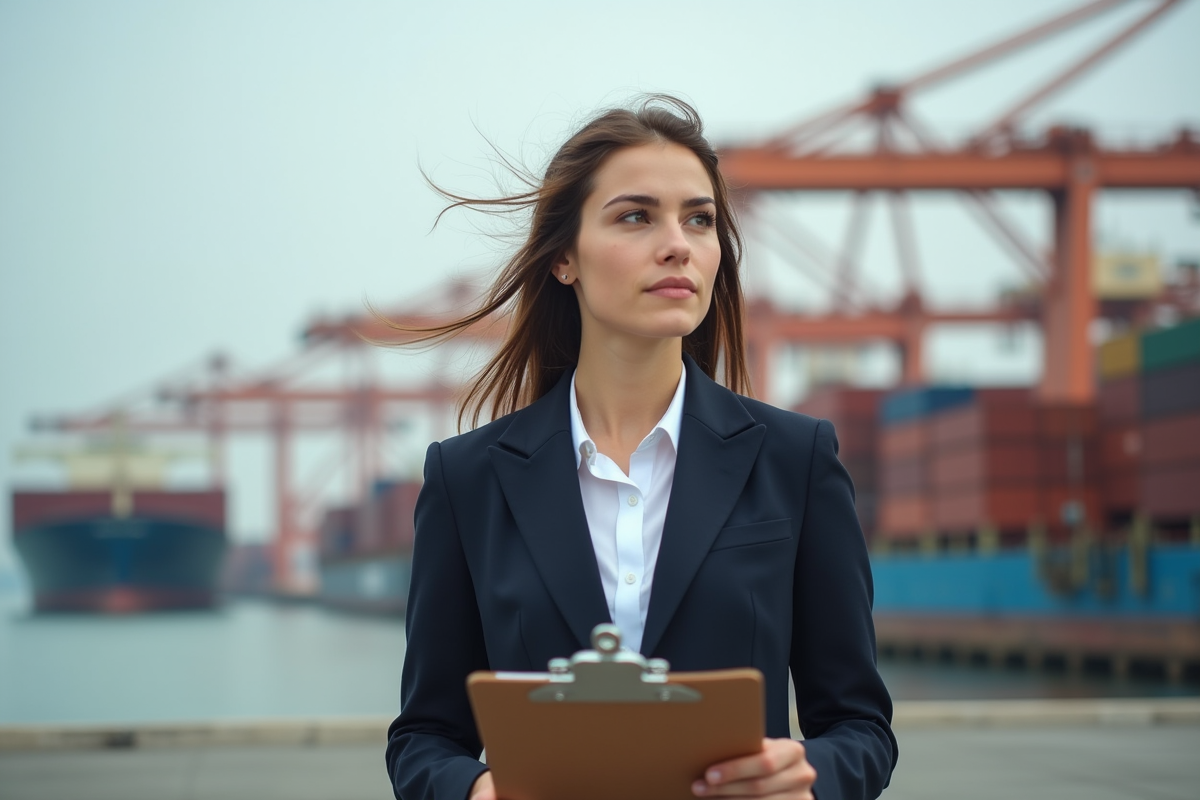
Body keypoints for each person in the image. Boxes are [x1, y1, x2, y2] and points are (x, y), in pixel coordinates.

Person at [384, 95, 897, 800]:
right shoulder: (467, 478)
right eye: (636, 216)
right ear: (563, 257)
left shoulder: (796, 459)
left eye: (700, 219)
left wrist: (808, 779)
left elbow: (861, 727)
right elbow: (424, 738)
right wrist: (473, 792)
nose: (677, 243)